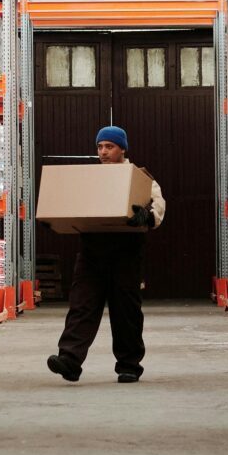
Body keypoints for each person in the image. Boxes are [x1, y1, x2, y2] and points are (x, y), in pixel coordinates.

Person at [47, 126, 166, 384]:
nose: (103, 152)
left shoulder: (140, 177)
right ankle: (69, 360)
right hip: (92, 251)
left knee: (126, 310)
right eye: (100, 147)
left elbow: (157, 205)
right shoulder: (89, 179)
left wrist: (148, 216)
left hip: (126, 251)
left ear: (122, 148)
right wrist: (54, 217)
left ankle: (129, 365)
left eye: (109, 147)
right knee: (81, 305)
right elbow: (69, 202)